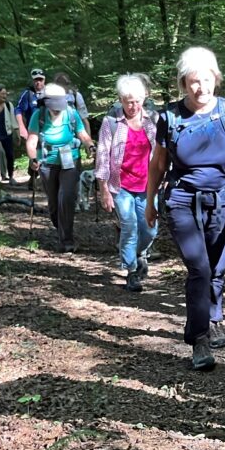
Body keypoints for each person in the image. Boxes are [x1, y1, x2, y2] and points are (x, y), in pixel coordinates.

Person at [144, 47, 225, 370]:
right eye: (194, 81)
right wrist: (150, 201)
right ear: (184, 83)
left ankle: (214, 318)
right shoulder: (170, 117)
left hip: (220, 200)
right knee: (200, 268)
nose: (201, 88)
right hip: (182, 200)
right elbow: (158, 164)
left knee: (216, 267)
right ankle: (199, 339)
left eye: (207, 80)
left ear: (216, 79)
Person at [95, 74, 159, 292]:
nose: (133, 106)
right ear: (120, 100)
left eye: (137, 101)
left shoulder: (153, 121)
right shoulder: (111, 123)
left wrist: (165, 175)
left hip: (148, 185)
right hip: (120, 185)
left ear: (144, 99)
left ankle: (140, 254)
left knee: (149, 229)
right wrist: (104, 189)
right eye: (128, 102)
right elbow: (103, 155)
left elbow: (163, 151)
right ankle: (131, 271)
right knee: (129, 226)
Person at [27, 83, 95, 252]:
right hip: (47, 162)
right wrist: (33, 158)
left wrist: (90, 146)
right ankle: (62, 229)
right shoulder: (39, 115)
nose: (57, 110)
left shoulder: (71, 113)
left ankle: (67, 240)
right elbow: (32, 140)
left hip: (70, 160)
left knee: (66, 197)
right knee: (53, 203)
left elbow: (82, 133)